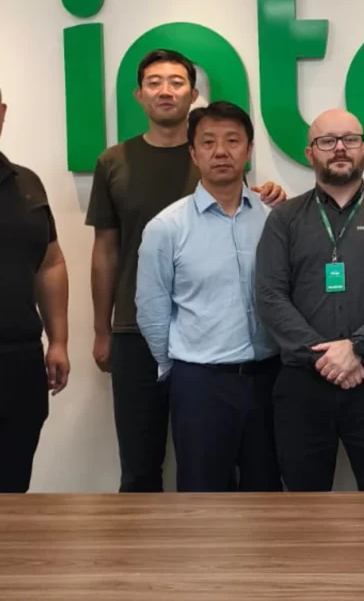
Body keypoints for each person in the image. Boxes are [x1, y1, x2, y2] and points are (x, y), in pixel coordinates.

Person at [86, 49, 285, 492]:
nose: (165, 91)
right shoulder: (116, 163)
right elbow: (106, 250)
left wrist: (273, 198)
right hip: (147, 334)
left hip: (240, 354)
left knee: (257, 475)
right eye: (154, 82)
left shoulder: (257, 204)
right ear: (138, 94)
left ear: (193, 94)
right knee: (145, 464)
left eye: (176, 82)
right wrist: (104, 330)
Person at [255, 108, 364, 492]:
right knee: (303, 504)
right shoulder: (285, 219)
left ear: (363, 148)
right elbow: (270, 296)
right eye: (327, 141)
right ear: (309, 153)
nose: (340, 148)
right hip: (302, 384)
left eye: (350, 139)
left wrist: (356, 347)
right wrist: (326, 357)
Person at [136, 102, 282, 493]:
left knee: (267, 495)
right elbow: (151, 311)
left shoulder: (273, 218)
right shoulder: (166, 227)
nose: (221, 151)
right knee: (202, 499)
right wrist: (180, 366)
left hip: (268, 378)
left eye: (232, 141)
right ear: (193, 153)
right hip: (200, 383)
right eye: (208, 142)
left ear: (249, 150)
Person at [0, 71, 70, 492]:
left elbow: (50, 263)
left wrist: (59, 340)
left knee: (11, 488)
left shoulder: (29, 184)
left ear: (2, 112)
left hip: (20, 361)